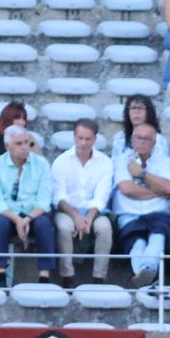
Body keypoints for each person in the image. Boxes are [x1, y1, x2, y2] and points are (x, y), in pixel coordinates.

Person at [110, 121, 170, 288]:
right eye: (138, 138)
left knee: (158, 236)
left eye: (147, 139)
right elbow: (127, 189)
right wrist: (157, 191)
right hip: (129, 213)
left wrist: (140, 174)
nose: (142, 142)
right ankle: (146, 272)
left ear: (154, 142)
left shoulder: (164, 162)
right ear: (132, 139)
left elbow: (168, 187)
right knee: (137, 242)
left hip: (158, 213)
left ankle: (144, 272)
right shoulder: (121, 160)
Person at [51, 119, 112, 288]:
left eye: (87, 139)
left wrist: (88, 218)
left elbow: (102, 196)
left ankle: (99, 277)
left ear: (94, 139)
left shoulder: (105, 162)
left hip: (95, 210)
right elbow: (59, 197)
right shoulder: (61, 161)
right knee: (64, 227)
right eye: (80, 138)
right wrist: (76, 216)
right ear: (74, 137)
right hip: (68, 210)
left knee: (105, 228)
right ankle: (67, 275)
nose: (83, 143)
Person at [108, 96, 164, 167]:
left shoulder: (158, 139)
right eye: (133, 108)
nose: (136, 112)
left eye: (140, 108)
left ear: (148, 112)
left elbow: (161, 166)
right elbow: (115, 164)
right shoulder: (119, 137)